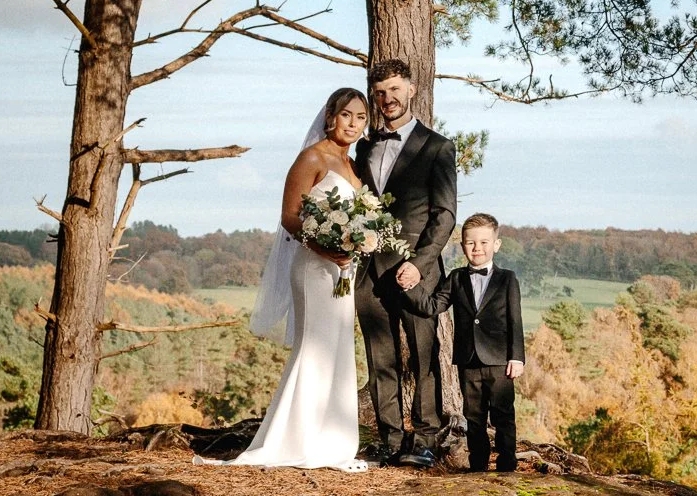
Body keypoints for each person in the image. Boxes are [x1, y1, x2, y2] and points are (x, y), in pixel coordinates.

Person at [200, 88, 371, 471]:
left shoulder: (354, 165)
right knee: (314, 346)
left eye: (361, 118)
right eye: (347, 115)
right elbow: (290, 217)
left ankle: (335, 441)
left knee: (340, 349)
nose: (354, 124)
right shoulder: (312, 157)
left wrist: (355, 244)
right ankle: (296, 439)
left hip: (344, 269)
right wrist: (328, 247)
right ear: (331, 116)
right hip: (314, 266)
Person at [352, 59, 457, 467]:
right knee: (381, 360)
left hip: (418, 272)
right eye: (380, 93)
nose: (387, 99)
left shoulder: (437, 147)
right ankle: (392, 439)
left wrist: (420, 262)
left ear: (411, 90)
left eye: (394, 89)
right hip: (369, 274)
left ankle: (426, 438)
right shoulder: (364, 147)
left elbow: (444, 214)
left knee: (425, 356)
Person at [402, 214, 524, 472]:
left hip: (500, 361)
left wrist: (517, 357)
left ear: (496, 244)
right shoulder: (456, 278)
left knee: (503, 416)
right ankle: (477, 467)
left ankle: (507, 466)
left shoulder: (507, 279)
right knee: (474, 417)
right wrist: (410, 287)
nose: (477, 248)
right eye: (470, 243)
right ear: (462, 246)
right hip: (468, 361)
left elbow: (515, 320)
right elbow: (434, 305)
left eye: (483, 242)